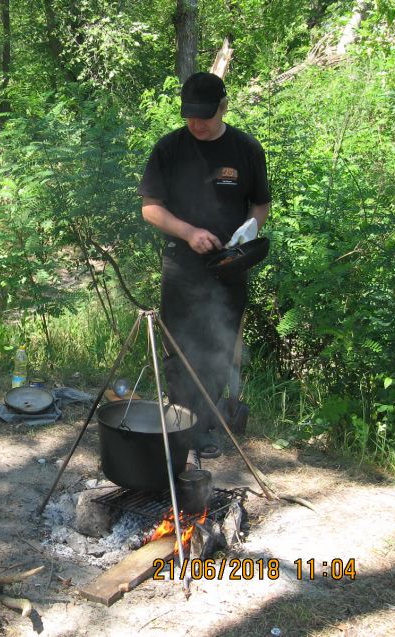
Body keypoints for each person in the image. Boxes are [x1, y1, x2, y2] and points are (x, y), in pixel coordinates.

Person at [138, 72, 271, 463]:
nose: (196, 124)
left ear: (223, 107)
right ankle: (180, 426)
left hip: (230, 265)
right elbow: (150, 208)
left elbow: (260, 204)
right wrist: (188, 231)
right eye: (189, 116)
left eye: (204, 116)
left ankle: (205, 427)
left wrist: (252, 228)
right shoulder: (169, 148)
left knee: (219, 345)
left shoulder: (246, 149)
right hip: (181, 264)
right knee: (178, 346)